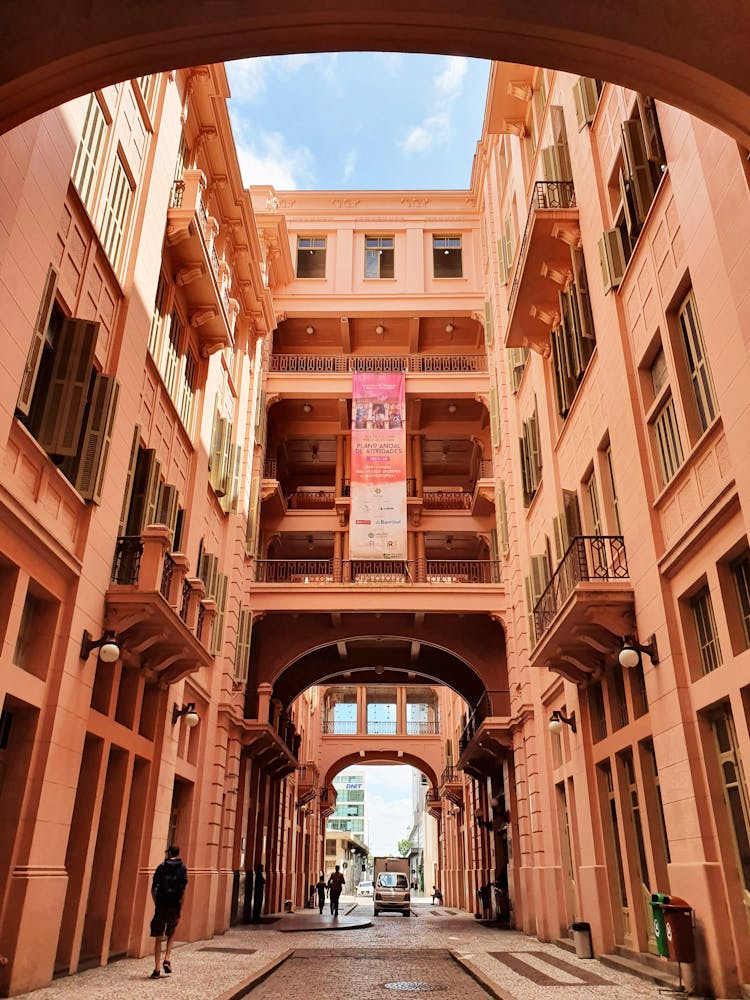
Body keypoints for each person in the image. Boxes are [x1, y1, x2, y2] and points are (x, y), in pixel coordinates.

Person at [149, 845, 188, 979]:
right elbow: (183, 891)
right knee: (171, 933)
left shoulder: (161, 867)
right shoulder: (182, 869)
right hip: (174, 906)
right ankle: (167, 958)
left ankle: (157, 969)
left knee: (158, 938)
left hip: (161, 905)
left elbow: (153, 889)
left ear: (169, 853)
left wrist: (157, 903)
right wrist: (181, 909)